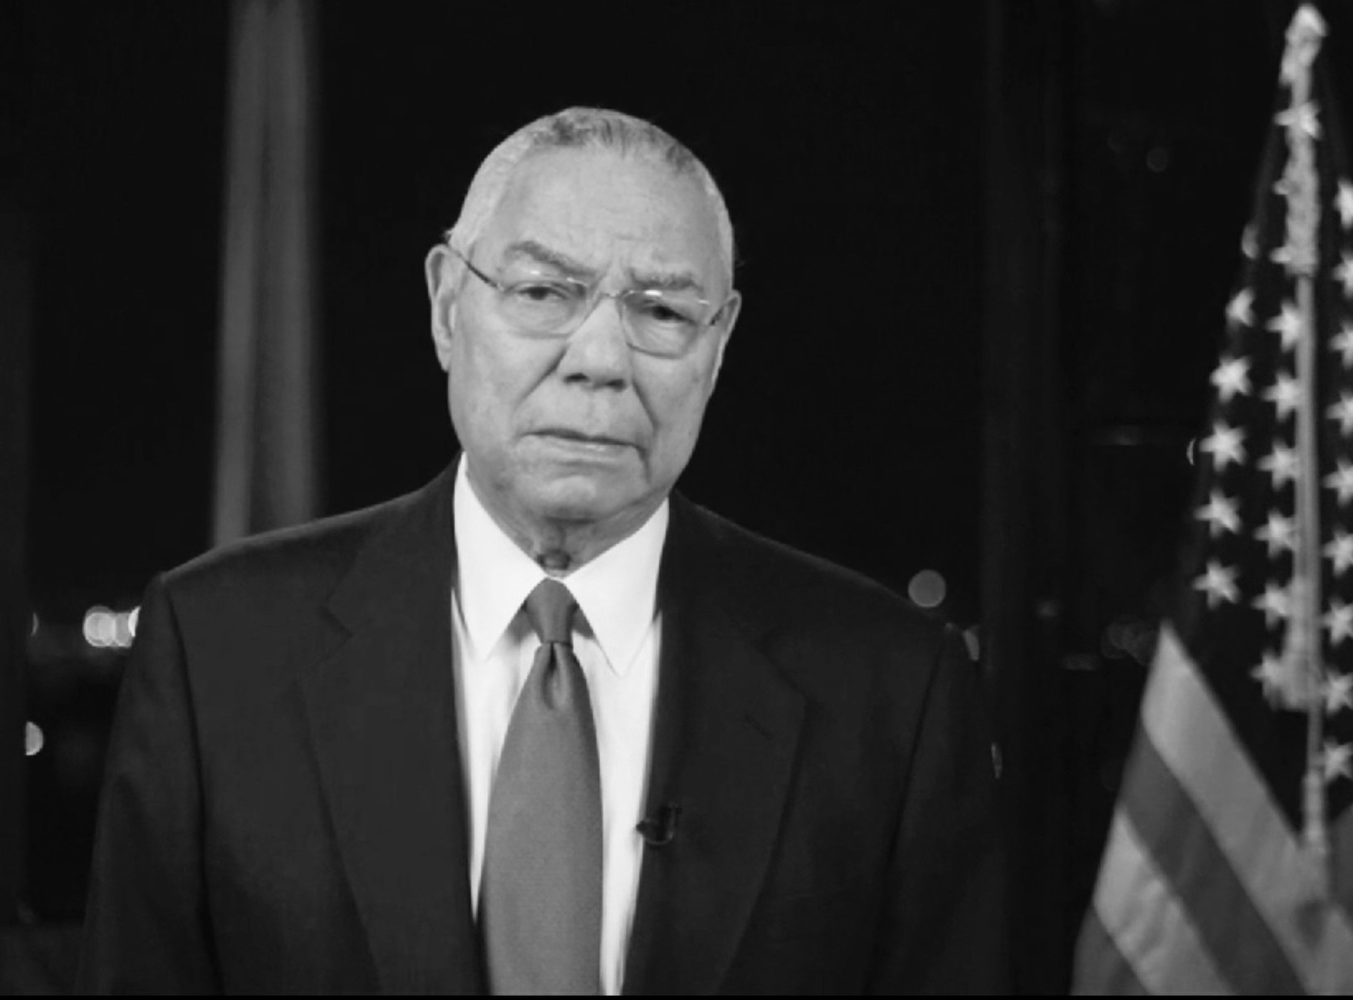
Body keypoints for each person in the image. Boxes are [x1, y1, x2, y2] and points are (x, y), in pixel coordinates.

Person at [75, 106, 1009, 995]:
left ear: (719, 344)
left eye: (662, 312)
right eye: (543, 293)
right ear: (448, 306)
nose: (600, 359)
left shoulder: (893, 694)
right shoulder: (216, 652)